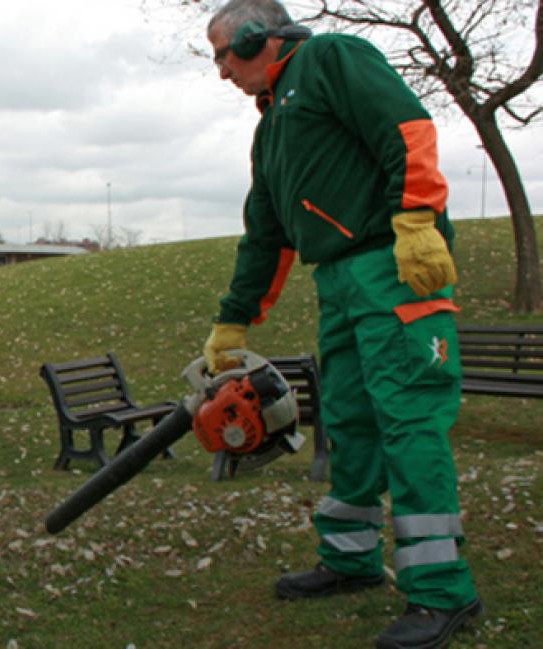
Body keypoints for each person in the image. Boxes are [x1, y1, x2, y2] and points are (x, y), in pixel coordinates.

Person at [202, 1, 482, 647]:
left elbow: (406, 127)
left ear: (257, 36)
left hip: (393, 266)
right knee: (350, 420)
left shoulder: (332, 58)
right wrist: (234, 320)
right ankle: (351, 558)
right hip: (338, 281)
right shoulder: (272, 128)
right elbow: (266, 233)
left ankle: (443, 591)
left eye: (223, 54)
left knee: (408, 419)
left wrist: (415, 220)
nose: (221, 72)